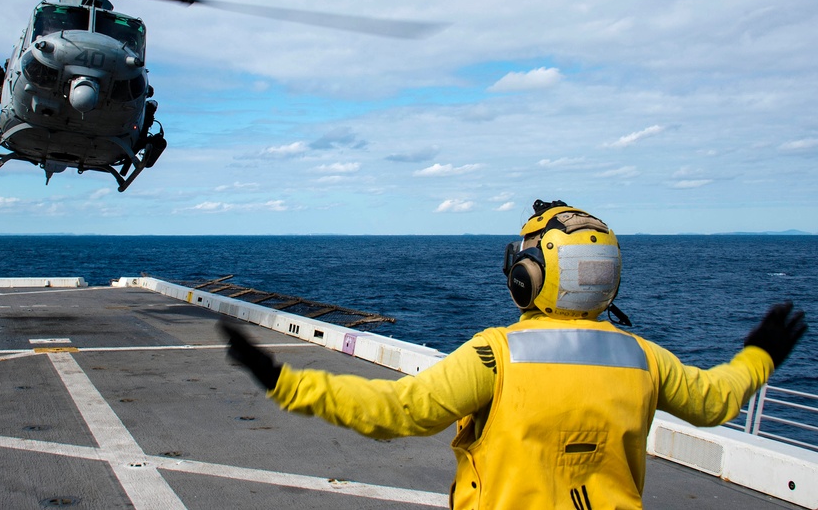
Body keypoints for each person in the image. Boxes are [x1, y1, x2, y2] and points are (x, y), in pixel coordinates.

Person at [221, 199, 808, 510]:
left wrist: (285, 381)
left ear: (530, 279)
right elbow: (716, 400)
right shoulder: (644, 360)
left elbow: (399, 411)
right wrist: (760, 354)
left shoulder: (497, 356)